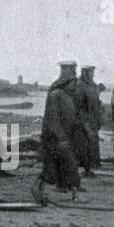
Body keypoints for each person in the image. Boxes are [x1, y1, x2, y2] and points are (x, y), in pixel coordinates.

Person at [35, 61, 83, 202]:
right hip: (55, 138)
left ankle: (72, 192)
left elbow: (72, 117)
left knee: (67, 166)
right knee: (55, 168)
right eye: (73, 83)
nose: (75, 85)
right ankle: (39, 187)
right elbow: (53, 118)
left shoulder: (69, 96)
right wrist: (61, 137)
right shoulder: (56, 95)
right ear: (67, 82)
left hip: (65, 137)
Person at [78, 65, 103, 175]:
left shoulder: (93, 85)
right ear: (85, 73)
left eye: (93, 72)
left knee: (93, 142)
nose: (93, 74)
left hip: (93, 118)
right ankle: (86, 167)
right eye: (91, 72)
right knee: (85, 143)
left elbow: (96, 101)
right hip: (85, 119)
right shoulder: (80, 85)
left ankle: (93, 165)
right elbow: (79, 105)